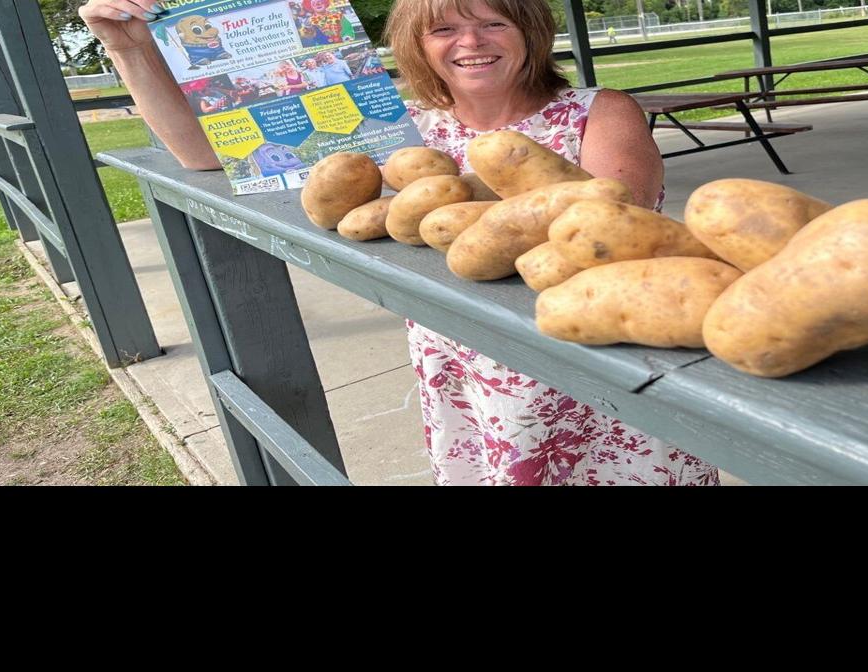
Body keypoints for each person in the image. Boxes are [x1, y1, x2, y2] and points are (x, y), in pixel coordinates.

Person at [79, 0, 718, 486]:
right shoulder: (396, 128)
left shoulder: (600, 111)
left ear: (529, 31)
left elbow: (615, 214)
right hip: (464, 353)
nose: (470, 42)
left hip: (600, 347)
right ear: (417, 45)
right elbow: (200, 155)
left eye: (493, 23)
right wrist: (131, 50)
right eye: (444, 29)